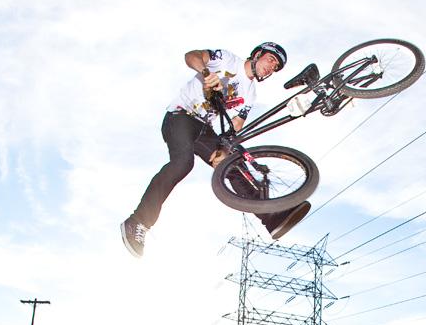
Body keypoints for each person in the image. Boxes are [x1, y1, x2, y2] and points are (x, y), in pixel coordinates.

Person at [120, 42, 312, 258]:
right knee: (183, 163)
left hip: (204, 128)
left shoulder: (250, 93)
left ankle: (272, 217)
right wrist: (205, 73)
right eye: (270, 60)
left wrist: (225, 148)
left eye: (275, 67)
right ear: (257, 54)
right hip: (180, 116)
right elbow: (191, 55)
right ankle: (137, 222)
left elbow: (237, 124)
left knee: (232, 167)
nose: (271, 68)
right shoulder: (228, 60)